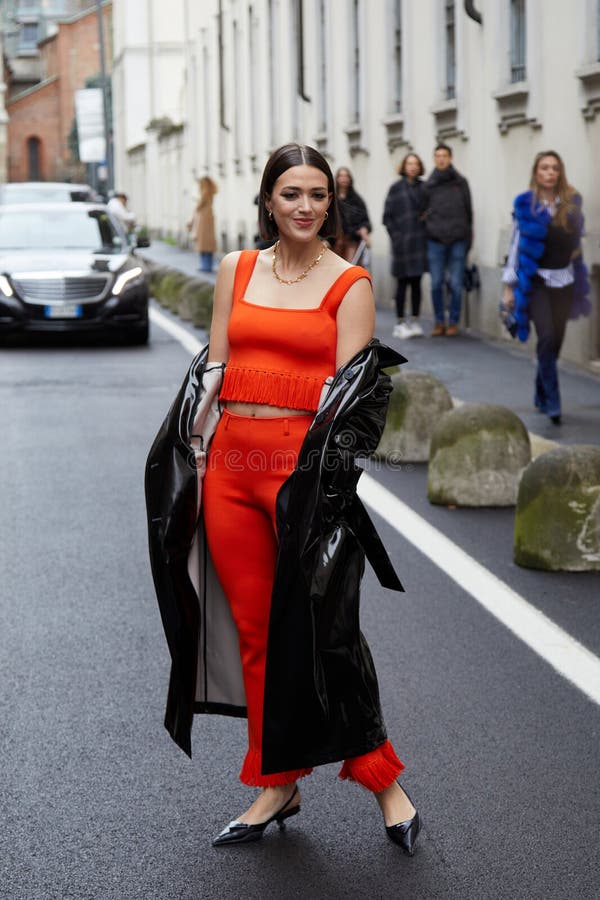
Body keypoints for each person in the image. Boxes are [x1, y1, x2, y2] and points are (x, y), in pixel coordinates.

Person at [145, 143, 421, 855]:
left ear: (332, 204)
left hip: (303, 480)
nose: (305, 207)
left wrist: (325, 488)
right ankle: (278, 780)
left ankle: (383, 779)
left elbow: (354, 402)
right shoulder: (237, 270)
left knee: (326, 631)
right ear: (268, 199)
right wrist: (190, 464)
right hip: (231, 470)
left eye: (319, 196)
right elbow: (212, 368)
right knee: (257, 633)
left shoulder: (350, 282)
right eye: (291, 193)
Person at [501, 150, 590, 425]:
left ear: (559, 173)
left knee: (555, 343)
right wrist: (508, 286)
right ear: (536, 173)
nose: (550, 172)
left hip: (564, 281)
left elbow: (577, 240)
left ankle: (541, 389)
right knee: (547, 336)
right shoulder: (526, 205)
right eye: (544, 168)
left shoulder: (571, 204)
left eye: (554, 168)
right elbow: (516, 245)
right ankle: (553, 401)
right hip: (536, 282)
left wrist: (575, 255)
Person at [422, 143, 472, 336]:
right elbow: (422, 212)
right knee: (436, 283)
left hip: (458, 240)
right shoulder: (429, 185)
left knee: (456, 284)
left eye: (444, 155)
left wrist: (467, 238)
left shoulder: (461, 183)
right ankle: (439, 321)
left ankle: (453, 321)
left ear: (450, 158)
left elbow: (469, 212)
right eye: (438, 156)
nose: (441, 159)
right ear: (434, 159)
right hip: (434, 240)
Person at [383, 152, 428, 339]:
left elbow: (430, 211)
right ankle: (400, 322)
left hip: (419, 242)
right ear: (404, 166)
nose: (412, 167)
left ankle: (415, 321)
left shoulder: (425, 188)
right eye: (409, 163)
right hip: (402, 244)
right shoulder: (395, 188)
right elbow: (387, 217)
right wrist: (397, 237)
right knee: (401, 284)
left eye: (416, 163)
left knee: (417, 283)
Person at [333, 166, 371, 263]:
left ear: (350, 179)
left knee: (350, 269)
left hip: (352, 240)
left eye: (346, 176)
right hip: (334, 242)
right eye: (341, 176)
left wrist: (363, 230)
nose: (344, 179)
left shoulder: (357, 200)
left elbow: (365, 221)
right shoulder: (331, 199)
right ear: (336, 179)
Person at [188, 176, 218, 272]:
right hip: (208, 218)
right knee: (207, 244)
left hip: (204, 220)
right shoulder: (210, 193)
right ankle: (207, 265)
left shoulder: (205, 194)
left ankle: (206, 265)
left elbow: (199, 206)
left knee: (203, 244)